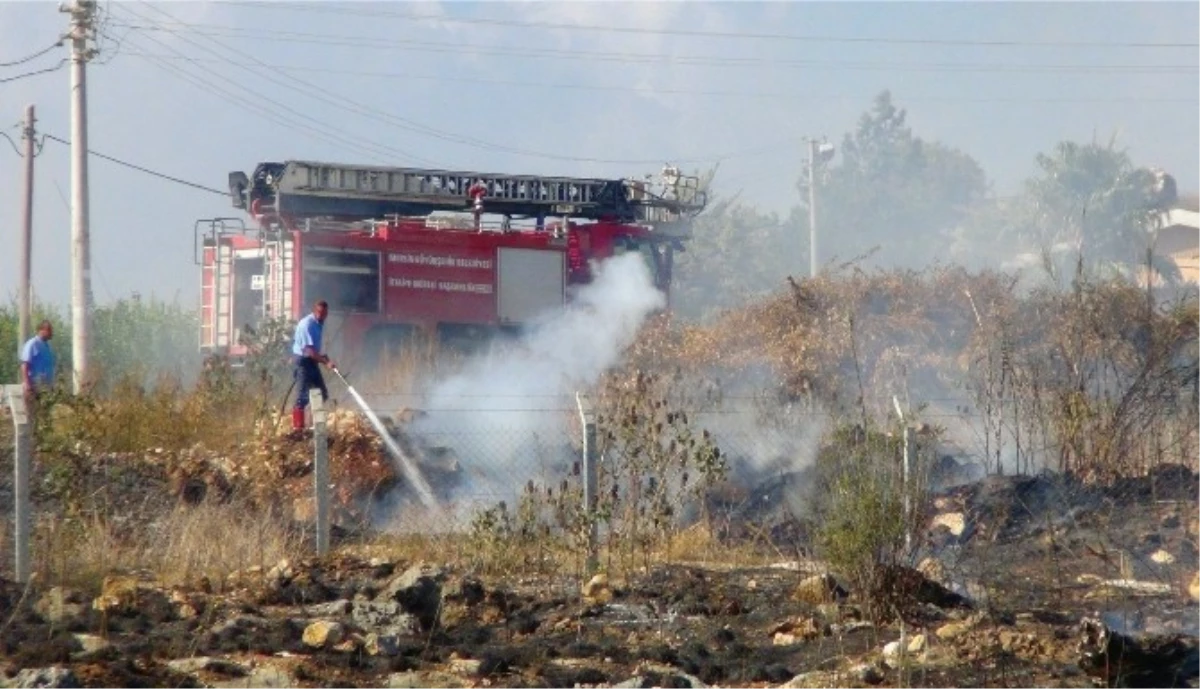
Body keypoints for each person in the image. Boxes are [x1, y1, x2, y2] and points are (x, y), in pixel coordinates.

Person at [291, 300, 337, 433]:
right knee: (302, 396)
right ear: (314, 311)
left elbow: (314, 349)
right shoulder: (307, 324)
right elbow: (308, 351)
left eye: (324, 313)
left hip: (311, 361)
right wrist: (325, 362)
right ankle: (297, 429)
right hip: (303, 362)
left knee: (322, 393)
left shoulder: (318, 324)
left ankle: (313, 425)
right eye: (319, 313)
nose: (322, 316)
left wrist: (323, 356)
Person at [19, 320, 56, 399]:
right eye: (49, 330)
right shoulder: (32, 343)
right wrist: (27, 383)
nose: (51, 333)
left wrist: (51, 384)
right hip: (34, 385)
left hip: (45, 385)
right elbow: (24, 365)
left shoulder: (47, 346)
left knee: (44, 410)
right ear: (41, 330)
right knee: (34, 410)